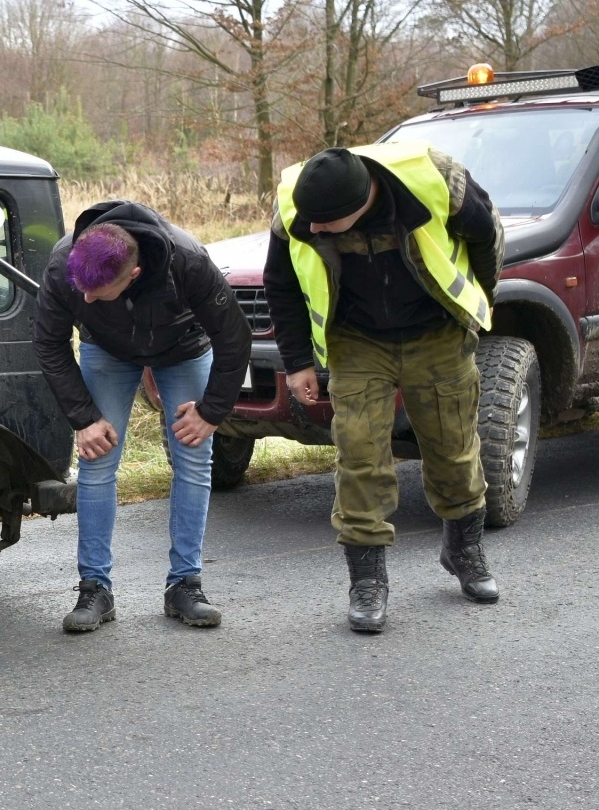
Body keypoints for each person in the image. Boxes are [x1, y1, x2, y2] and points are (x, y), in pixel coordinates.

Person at [263, 144, 504, 633]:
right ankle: (367, 582)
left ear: (358, 207)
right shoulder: (294, 204)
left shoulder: (437, 180)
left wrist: (477, 307)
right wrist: (297, 364)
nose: (312, 230)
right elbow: (281, 282)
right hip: (356, 341)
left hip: (436, 331)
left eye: (324, 225)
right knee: (359, 454)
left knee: (454, 449)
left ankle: (465, 551)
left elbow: (487, 239)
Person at [33, 201, 251, 633]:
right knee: (97, 459)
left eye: (97, 292)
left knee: (193, 456)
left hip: (183, 347)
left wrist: (212, 411)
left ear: (132, 275)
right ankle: (94, 588)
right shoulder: (64, 266)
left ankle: (184, 585)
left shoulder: (187, 260)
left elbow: (233, 334)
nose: (87, 299)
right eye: (82, 291)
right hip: (108, 350)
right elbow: (50, 345)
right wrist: (84, 418)